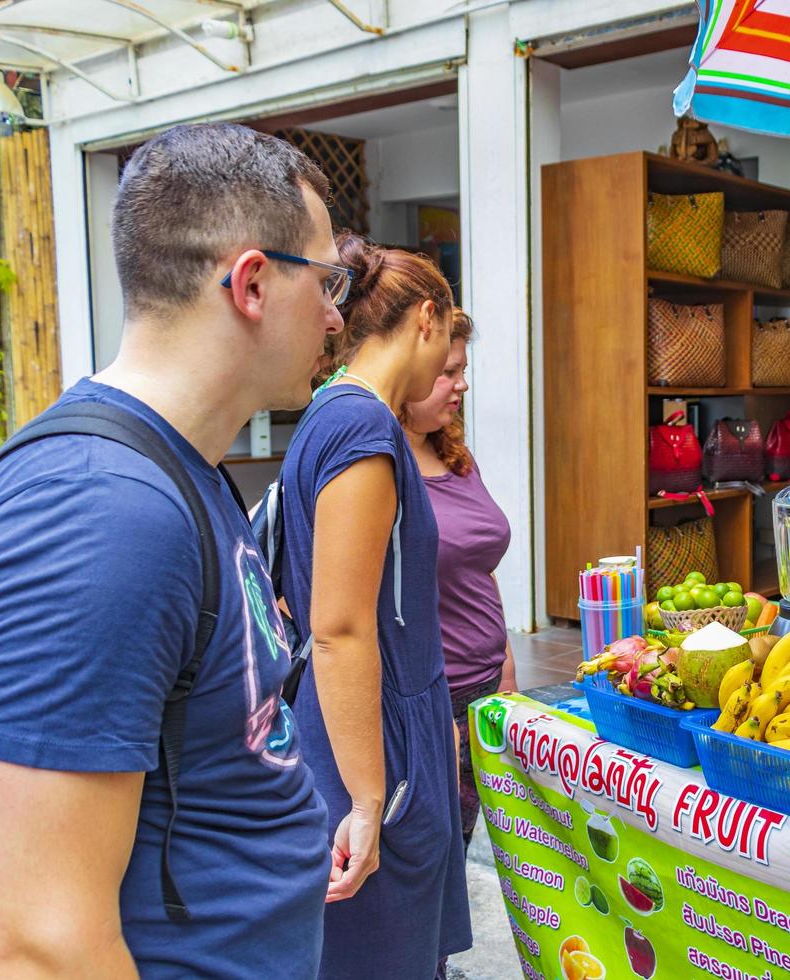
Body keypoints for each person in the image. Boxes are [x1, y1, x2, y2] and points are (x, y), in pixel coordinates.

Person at [0, 123, 342, 976]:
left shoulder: (169, 473)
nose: (337, 314)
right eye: (328, 279)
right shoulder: (99, 516)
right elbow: (40, 947)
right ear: (253, 282)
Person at [279, 233, 472, 978]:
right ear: (428, 317)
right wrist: (368, 798)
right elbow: (338, 625)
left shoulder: (337, 415)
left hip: (384, 722)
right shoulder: (361, 425)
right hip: (372, 737)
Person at [400, 308, 515, 847]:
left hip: (485, 690)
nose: (461, 384)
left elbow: (477, 572)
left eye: (462, 368)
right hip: (430, 706)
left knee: (461, 849)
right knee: (429, 858)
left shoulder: (454, 454)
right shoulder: (376, 465)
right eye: (448, 371)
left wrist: (506, 677)